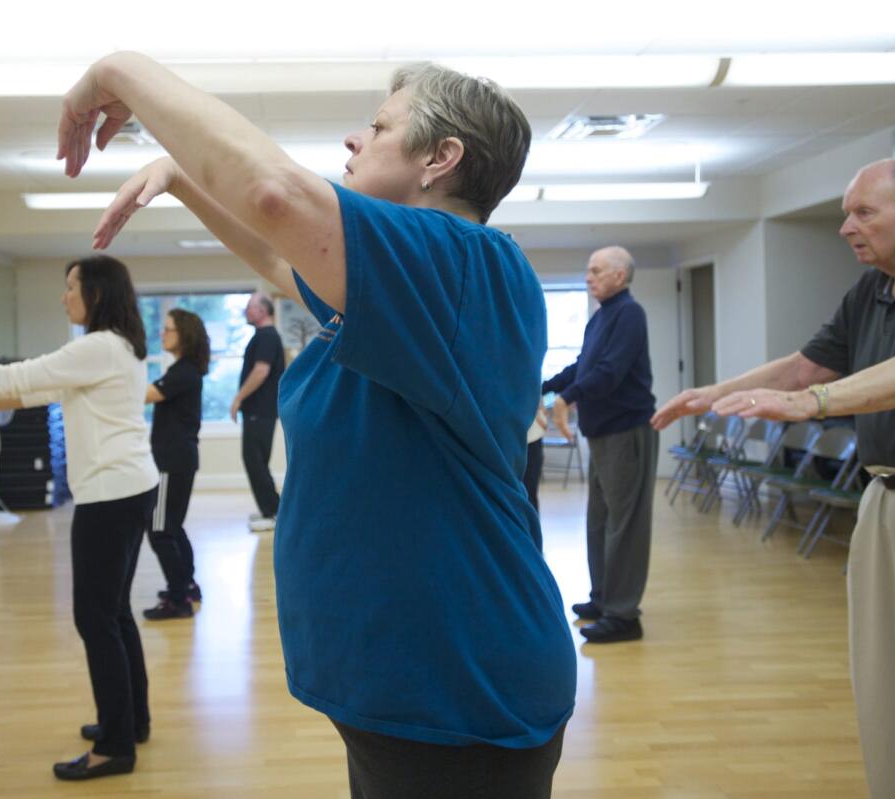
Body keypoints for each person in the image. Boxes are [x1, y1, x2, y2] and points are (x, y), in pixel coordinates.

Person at [59, 53, 575, 797]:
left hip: (463, 693)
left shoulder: (468, 264)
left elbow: (274, 196)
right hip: (400, 687)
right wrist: (178, 175)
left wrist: (119, 70)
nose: (354, 140)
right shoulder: (399, 297)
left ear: (442, 157)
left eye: (379, 126)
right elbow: (276, 253)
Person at [652, 158, 895, 799]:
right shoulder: (872, 291)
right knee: (888, 697)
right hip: (889, 498)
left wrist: (816, 407)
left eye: (863, 212)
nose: (846, 228)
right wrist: (713, 394)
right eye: (845, 213)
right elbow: (808, 368)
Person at [0, 255, 158, 781]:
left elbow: (21, 374)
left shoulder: (97, 348)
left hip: (110, 496)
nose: (63, 298)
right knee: (114, 613)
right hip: (131, 489)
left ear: (96, 296)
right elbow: (39, 389)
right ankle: (131, 722)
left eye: (70, 288)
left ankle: (115, 747)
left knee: (96, 618)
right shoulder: (117, 349)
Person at [542, 246, 657, 644]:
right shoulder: (602, 317)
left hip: (626, 432)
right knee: (600, 521)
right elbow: (584, 365)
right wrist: (548, 386)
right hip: (602, 432)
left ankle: (624, 615)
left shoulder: (629, 314)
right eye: (588, 270)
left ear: (619, 277)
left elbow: (609, 374)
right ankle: (604, 597)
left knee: (624, 525)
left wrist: (567, 397)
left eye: (595, 271)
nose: (588, 277)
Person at [142, 308, 209, 620]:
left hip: (172, 461)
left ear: (185, 335)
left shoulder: (183, 373)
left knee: (159, 530)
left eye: (168, 329)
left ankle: (178, 599)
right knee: (171, 526)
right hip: (177, 459)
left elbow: (147, 395)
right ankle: (186, 585)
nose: (162, 333)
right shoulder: (184, 369)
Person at [229, 292, 285, 532]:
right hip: (260, 411)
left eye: (250, 307)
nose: (246, 311)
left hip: (260, 410)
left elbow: (261, 371)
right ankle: (271, 510)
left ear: (263, 311)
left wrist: (238, 398)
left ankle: (273, 513)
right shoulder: (264, 336)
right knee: (256, 460)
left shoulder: (267, 337)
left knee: (255, 461)